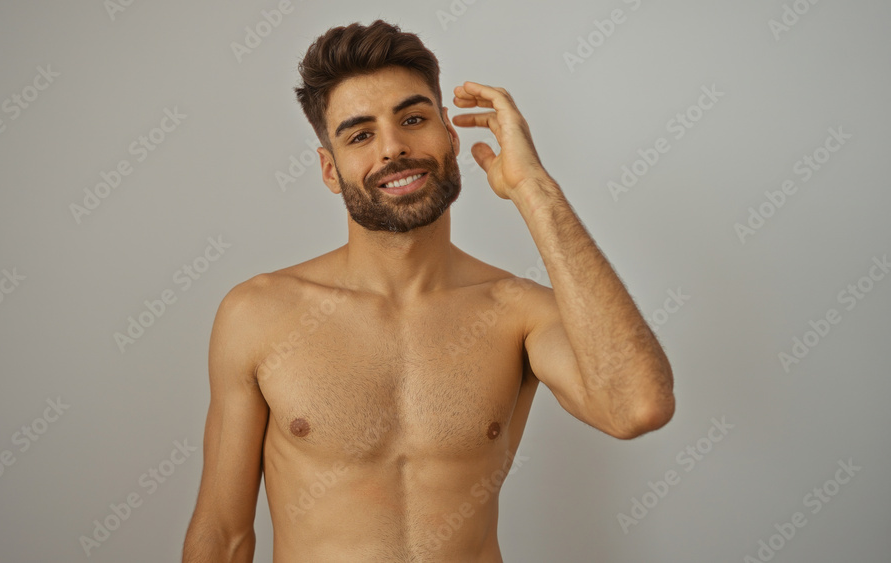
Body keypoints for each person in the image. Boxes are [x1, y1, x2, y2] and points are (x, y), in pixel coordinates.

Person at [182, 19, 674, 563]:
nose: (393, 149)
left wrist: (535, 190)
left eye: (413, 119)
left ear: (451, 136)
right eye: (361, 134)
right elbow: (223, 535)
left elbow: (637, 407)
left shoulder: (517, 313)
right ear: (329, 168)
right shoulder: (259, 313)